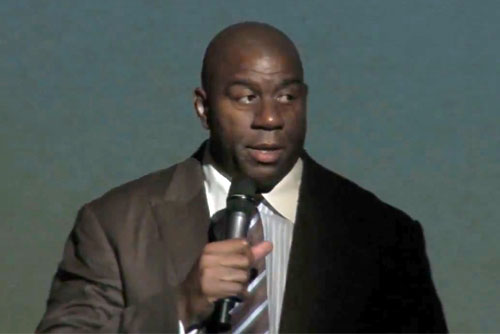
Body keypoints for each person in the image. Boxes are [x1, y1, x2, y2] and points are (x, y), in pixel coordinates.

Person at [36, 22, 448, 333]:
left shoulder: (384, 236)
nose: (270, 118)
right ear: (203, 109)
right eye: (246, 97)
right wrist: (180, 305)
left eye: (287, 97)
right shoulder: (115, 224)